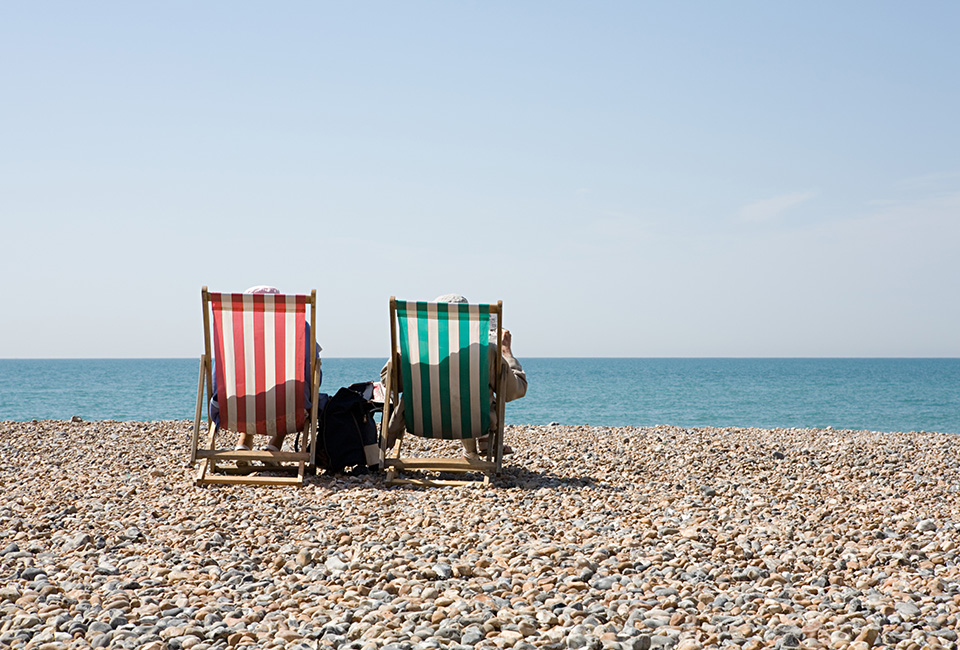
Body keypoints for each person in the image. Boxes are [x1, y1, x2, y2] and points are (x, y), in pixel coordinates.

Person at [381, 294, 527, 460]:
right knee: (474, 389)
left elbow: (388, 383)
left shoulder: (409, 353)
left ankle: (479, 446)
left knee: (454, 387)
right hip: (472, 424)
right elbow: (514, 391)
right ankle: (478, 445)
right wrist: (506, 352)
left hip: (421, 423)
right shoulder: (486, 353)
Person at [209, 285, 322, 455]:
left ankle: (243, 443)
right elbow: (311, 369)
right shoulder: (298, 327)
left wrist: (217, 398)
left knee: (250, 392)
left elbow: (218, 376)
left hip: (235, 408)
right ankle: (274, 446)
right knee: (290, 389)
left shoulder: (232, 329)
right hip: (288, 407)